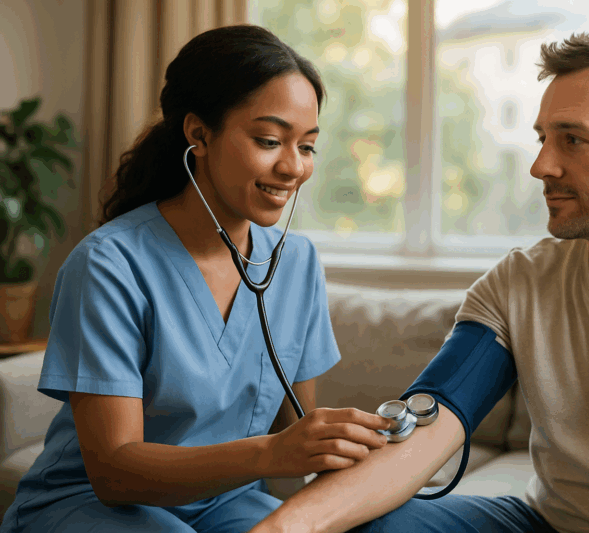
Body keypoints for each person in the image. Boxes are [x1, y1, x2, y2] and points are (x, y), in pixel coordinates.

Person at [249, 29, 589, 533]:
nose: (541, 166)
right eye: (542, 139)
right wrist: (287, 528)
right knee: (369, 521)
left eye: (572, 141)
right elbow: (430, 425)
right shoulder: (521, 281)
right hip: (547, 523)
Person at [0, 25, 391, 533]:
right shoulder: (108, 265)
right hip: (94, 506)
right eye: (270, 141)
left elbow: (296, 429)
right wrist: (271, 454)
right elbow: (114, 473)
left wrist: (357, 449)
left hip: (226, 503)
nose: (293, 167)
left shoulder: (296, 263)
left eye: (308, 146)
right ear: (198, 134)